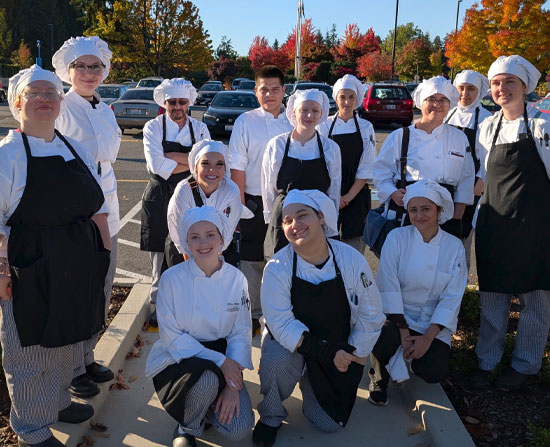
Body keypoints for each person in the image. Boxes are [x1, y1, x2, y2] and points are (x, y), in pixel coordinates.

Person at [0, 65, 110, 446]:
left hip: (76, 261)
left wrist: (102, 254)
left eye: (51, 92)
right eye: (35, 93)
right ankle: (31, 427)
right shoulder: (7, 155)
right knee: (30, 351)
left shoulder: (74, 148)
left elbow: (94, 204)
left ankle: (58, 401)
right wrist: (1, 272)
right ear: (18, 103)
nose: (45, 98)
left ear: (61, 102)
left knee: (67, 341)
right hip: (28, 265)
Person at [253, 189, 384, 447]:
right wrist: (322, 352)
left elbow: (371, 312)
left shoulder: (350, 260)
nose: (295, 225)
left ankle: (309, 380)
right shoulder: (278, 268)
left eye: (302, 216)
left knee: (327, 424)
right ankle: (270, 415)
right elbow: (280, 324)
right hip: (296, 346)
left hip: (339, 348)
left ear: (321, 217)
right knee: (276, 359)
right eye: (287, 220)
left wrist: (356, 353)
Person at [472, 55, 550, 391]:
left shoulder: (542, 127)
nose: (501, 89)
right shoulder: (488, 127)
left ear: (524, 87)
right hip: (495, 223)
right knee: (493, 298)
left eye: (509, 82)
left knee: (535, 300)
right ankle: (486, 361)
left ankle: (525, 366)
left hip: (535, 227)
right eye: (496, 83)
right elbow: (484, 175)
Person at [145, 206, 254, 447]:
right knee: (206, 379)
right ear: (186, 242)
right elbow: (172, 337)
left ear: (222, 238)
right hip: (180, 358)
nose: (203, 243)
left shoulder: (237, 279)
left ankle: (206, 406)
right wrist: (220, 362)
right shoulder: (171, 279)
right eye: (195, 237)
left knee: (238, 429)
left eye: (210, 234)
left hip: (225, 356)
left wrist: (233, 384)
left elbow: (241, 333)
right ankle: (187, 427)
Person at [52, 35, 119, 398]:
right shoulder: (61, 106)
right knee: (77, 291)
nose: (89, 73)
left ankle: (88, 355)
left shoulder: (104, 108)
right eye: (82, 66)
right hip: (77, 213)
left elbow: (105, 156)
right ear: (69, 69)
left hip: (109, 209)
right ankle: (73, 369)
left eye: (96, 66)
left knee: (102, 289)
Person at [368, 179, 467, 406]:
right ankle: (378, 376)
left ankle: (405, 358)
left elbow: (451, 298)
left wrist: (427, 338)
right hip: (395, 318)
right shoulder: (396, 238)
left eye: (426, 209)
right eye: (413, 210)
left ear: (439, 210)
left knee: (433, 372)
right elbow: (388, 286)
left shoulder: (454, 248)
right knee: (381, 336)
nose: (419, 215)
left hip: (431, 323)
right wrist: (403, 332)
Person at [139, 78, 210, 326]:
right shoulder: (152, 127)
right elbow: (157, 166)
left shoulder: (200, 128)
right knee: (160, 258)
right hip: (159, 197)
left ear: (189, 103)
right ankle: (159, 310)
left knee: (191, 254)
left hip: (191, 197)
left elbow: (206, 164)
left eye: (182, 102)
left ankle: (189, 309)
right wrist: (191, 159)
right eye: (172, 102)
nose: (177, 106)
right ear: (164, 102)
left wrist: (174, 157)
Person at [228, 65, 292, 329]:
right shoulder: (246, 121)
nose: (269, 94)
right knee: (252, 261)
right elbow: (237, 166)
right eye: (264, 89)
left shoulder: (294, 120)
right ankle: (254, 314)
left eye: (275, 89)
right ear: (256, 92)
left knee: (284, 260)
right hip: (253, 201)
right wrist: (240, 205)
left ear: (283, 91)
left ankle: (281, 314)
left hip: (287, 202)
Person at [373, 76, 475, 240]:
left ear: (450, 104)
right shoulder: (400, 136)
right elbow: (381, 172)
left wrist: (457, 215)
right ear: (421, 102)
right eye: (431, 99)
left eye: (443, 100)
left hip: (445, 215)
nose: (438, 104)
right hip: (407, 211)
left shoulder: (459, 137)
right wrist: (392, 193)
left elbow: (466, 177)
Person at [262, 89, 341, 259]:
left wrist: (329, 220)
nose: (309, 115)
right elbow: (269, 187)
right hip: (284, 217)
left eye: (315, 110)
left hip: (316, 219)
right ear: (294, 112)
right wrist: (274, 220)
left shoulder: (330, 148)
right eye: (304, 110)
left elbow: (334, 188)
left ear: (321, 114)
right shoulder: (277, 145)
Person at [318, 74, 375, 254]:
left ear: (357, 99)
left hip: (356, 195)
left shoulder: (366, 127)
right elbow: (319, 163)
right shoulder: (324, 126)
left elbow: (366, 166)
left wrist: (347, 197)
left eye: (351, 97)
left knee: (354, 249)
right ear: (336, 98)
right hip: (327, 193)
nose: (347, 102)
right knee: (326, 247)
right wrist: (334, 197)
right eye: (343, 97)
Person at [166, 139, 243, 267]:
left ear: (225, 168)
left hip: (218, 253)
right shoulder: (184, 191)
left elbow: (226, 235)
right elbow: (183, 237)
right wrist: (196, 271)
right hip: (183, 253)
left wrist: (212, 268)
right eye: (205, 163)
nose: (212, 170)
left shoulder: (231, 191)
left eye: (219, 164)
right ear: (195, 167)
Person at [445, 70, 492, 265]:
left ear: (480, 90)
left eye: (471, 89)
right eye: (461, 88)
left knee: (462, 237)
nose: (465, 93)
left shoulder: (486, 119)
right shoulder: (448, 114)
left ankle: (460, 289)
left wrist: (479, 185)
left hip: (471, 188)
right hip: (445, 184)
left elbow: (489, 156)